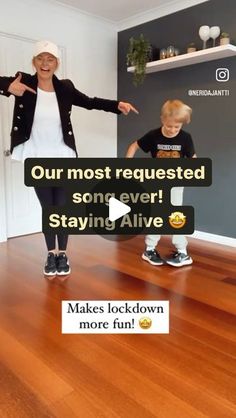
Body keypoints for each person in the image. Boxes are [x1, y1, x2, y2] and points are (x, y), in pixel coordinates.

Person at [0, 40, 138, 278]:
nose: (45, 63)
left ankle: (62, 253)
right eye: (41, 58)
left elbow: (90, 102)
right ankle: (50, 254)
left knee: (62, 209)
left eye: (50, 59)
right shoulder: (22, 81)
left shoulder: (65, 87)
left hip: (63, 157)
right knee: (49, 209)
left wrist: (117, 105)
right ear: (34, 62)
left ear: (57, 63)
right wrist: (6, 87)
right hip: (37, 160)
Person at [126, 99, 197, 267]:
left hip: (176, 184)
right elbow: (133, 146)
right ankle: (149, 249)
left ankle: (183, 252)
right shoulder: (153, 135)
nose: (173, 130)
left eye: (177, 127)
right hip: (155, 182)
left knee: (176, 215)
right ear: (162, 120)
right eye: (169, 126)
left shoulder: (186, 138)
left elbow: (193, 159)